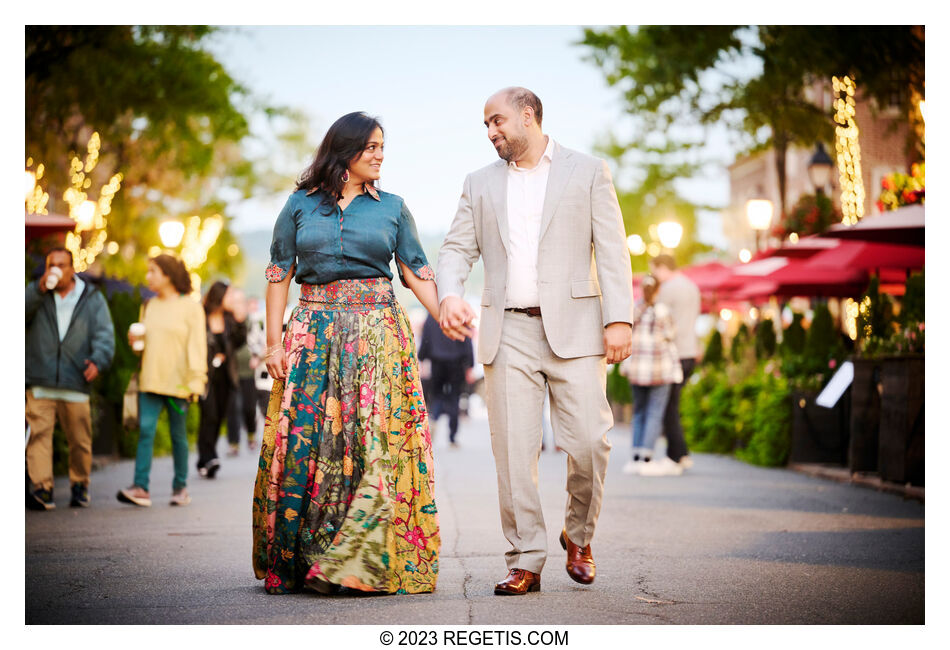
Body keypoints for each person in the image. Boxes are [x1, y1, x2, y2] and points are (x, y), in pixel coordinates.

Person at [437, 87, 633, 595]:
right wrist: (449, 295)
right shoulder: (478, 183)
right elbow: (457, 247)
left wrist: (620, 319)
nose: (490, 132)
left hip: (579, 328)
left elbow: (612, 250)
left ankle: (579, 533)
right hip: (508, 329)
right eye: (485, 125)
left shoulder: (588, 171)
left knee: (591, 441)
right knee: (514, 454)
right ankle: (525, 556)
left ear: (529, 116)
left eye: (497, 121)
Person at [253, 111, 441, 595]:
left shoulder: (394, 208)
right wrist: (274, 344)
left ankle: (357, 560)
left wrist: (445, 315)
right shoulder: (299, 205)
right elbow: (278, 275)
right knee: (311, 444)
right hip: (312, 336)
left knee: (370, 443)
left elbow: (415, 270)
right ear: (345, 151)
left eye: (383, 147)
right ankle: (311, 558)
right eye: (371, 147)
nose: (380, 155)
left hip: (378, 337)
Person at [26, 247, 115, 510]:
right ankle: (43, 489)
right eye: (51, 265)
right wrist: (37, 291)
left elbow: (104, 335)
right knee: (38, 437)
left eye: (62, 265)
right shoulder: (36, 294)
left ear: (72, 268)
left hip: (75, 381)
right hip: (40, 380)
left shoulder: (92, 298)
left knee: (79, 440)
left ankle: (79, 485)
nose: (56, 270)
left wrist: (98, 360)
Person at [117, 254, 206, 507]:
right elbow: (144, 347)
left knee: (178, 436)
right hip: (150, 379)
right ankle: (140, 487)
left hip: (180, 384)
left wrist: (196, 382)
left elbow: (197, 346)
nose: (148, 277)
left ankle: (180, 488)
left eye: (153, 271)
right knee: (145, 431)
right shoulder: (148, 305)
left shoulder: (190, 306)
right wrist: (135, 345)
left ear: (167, 274)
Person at [619, 275, 683, 476]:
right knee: (655, 413)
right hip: (660, 370)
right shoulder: (663, 311)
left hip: (637, 370)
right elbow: (672, 335)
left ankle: (635, 457)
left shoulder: (634, 310)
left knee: (639, 412)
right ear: (657, 291)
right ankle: (647, 458)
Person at [649, 254, 701, 471]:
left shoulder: (669, 289)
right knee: (673, 403)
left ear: (662, 268)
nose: (654, 276)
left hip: (673, 353)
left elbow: (659, 320)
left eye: (654, 271)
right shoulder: (692, 286)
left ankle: (676, 455)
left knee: (668, 405)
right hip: (690, 350)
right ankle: (680, 452)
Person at [196, 282, 247, 477]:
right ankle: (209, 456)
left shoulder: (229, 319)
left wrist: (241, 321)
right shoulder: (201, 316)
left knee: (218, 417)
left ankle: (206, 459)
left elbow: (239, 342)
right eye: (229, 296)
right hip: (205, 376)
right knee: (209, 415)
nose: (232, 300)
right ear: (219, 296)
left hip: (226, 376)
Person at [418, 313, 474, 447]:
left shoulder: (432, 315)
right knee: (454, 397)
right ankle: (452, 438)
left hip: (437, 361)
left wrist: (421, 357)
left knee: (436, 394)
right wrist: (470, 365)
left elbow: (426, 337)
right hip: (457, 362)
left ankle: (434, 418)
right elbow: (467, 340)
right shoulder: (459, 314)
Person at [227, 294, 263, 455]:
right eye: (235, 304)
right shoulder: (228, 323)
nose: (238, 308)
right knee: (233, 408)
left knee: (249, 407)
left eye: (240, 304)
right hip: (232, 372)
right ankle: (233, 443)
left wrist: (257, 358)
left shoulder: (252, 323)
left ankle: (251, 435)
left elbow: (262, 343)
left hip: (249, 371)